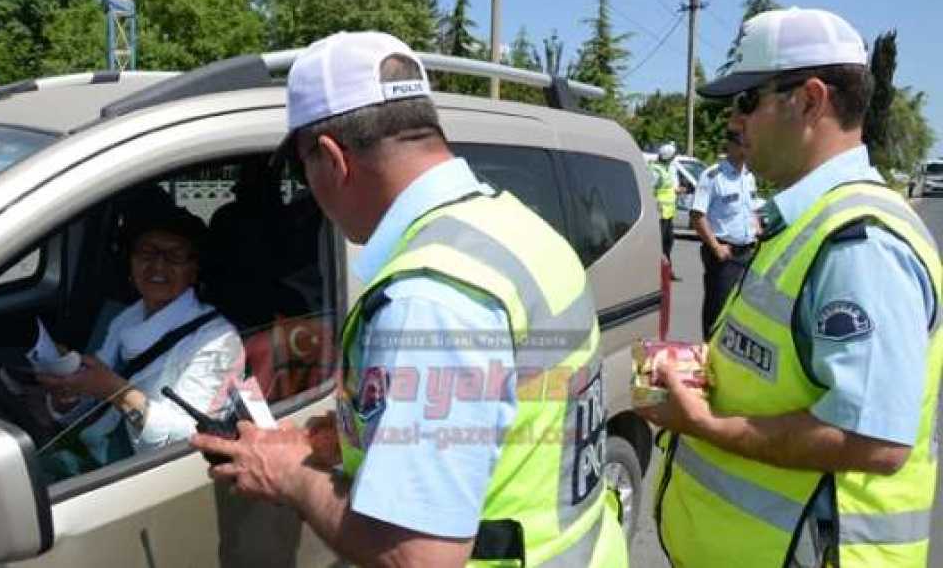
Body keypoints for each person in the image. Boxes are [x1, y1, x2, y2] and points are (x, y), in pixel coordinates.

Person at [193, 31, 628, 567]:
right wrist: (357, 442)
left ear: (332, 159)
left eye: (303, 169)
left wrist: (292, 478)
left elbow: (417, 557)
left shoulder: (430, 297)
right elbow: (507, 415)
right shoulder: (514, 228)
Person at [637, 8, 941, 568]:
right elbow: (788, 367)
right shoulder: (805, 219)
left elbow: (876, 440)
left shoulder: (860, 243)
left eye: (747, 99)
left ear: (809, 99)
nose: (734, 121)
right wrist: (709, 365)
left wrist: (704, 424)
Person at [39, 204, 243, 475]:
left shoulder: (217, 341)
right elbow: (93, 403)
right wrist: (68, 393)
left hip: (142, 475)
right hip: (91, 453)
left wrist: (116, 391)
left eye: (174, 256)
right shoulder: (125, 318)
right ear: (131, 261)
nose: (158, 266)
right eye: (147, 253)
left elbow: (186, 441)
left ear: (194, 270)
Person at [691, 124, 760, 338]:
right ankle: (708, 352)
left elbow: (752, 208)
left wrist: (756, 228)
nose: (747, 148)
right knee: (717, 309)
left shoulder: (748, 176)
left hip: (747, 252)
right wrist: (715, 247)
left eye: (749, 143)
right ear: (730, 145)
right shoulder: (713, 176)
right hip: (724, 254)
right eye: (742, 144)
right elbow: (697, 215)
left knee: (741, 310)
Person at [650, 141, 682, 280]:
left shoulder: (667, 168)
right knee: (661, 245)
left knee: (668, 243)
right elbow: (650, 190)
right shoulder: (656, 170)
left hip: (668, 214)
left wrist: (677, 190)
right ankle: (660, 273)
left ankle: (668, 271)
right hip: (660, 214)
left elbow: (668, 188)